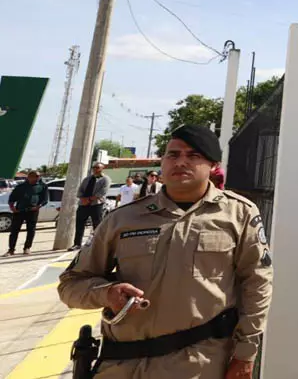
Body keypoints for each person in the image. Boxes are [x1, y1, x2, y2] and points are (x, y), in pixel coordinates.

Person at [59, 125, 272, 379]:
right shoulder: (121, 219)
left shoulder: (239, 214)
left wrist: (245, 353)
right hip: (121, 366)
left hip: (198, 366)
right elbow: (71, 285)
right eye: (173, 155)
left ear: (213, 165)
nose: (181, 162)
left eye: (193, 156)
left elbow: (257, 283)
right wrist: (106, 293)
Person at [6, 170, 47, 256]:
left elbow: (45, 199)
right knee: (14, 230)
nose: (36, 178)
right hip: (20, 211)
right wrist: (12, 208)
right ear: (29, 177)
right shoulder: (21, 186)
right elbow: (12, 198)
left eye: (38, 177)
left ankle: (27, 248)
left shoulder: (42, 186)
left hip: (33, 211)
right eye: (34, 177)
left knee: (31, 230)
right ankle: (11, 249)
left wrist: (38, 206)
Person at [72, 162, 111, 250]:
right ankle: (77, 244)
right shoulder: (87, 179)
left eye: (97, 167)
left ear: (102, 168)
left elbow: (102, 192)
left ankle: (98, 244)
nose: (95, 169)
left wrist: (89, 200)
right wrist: (82, 199)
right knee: (79, 224)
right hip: (83, 204)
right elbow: (80, 190)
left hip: (96, 205)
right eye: (94, 167)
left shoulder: (105, 179)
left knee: (97, 225)